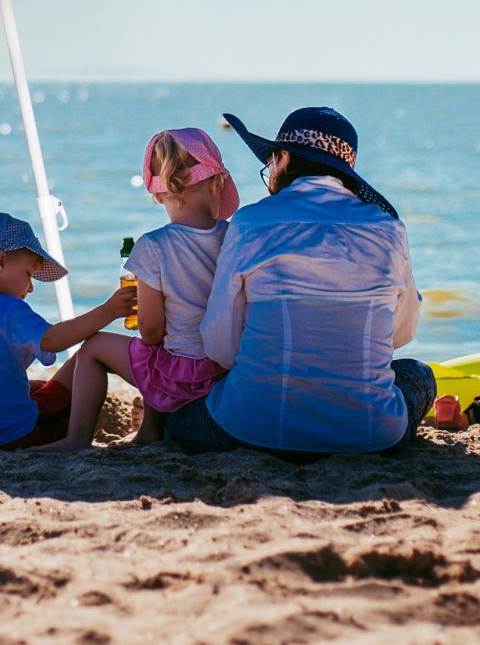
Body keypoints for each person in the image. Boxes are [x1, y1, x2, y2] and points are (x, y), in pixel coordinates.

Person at [164, 107, 436, 460]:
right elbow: (400, 334)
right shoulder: (388, 230)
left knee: (177, 419)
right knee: (418, 373)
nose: (270, 174)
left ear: (284, 157)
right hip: (368, 434)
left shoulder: (251, 222)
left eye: (270, 164)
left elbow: (220, 342)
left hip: (255, 428)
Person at [40, 128, 239, 451]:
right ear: (216, 183)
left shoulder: (153, 246)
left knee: (97, 347)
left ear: (159, 195)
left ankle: (76, 438)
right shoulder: (234, 237)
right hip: (226, 370)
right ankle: (149, 432)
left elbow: (149, 330)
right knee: (159, 351)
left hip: (183, 375)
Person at [0, 211, 136, 450]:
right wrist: (107, 311)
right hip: (14, 436)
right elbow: (53, 340)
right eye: (29, 274)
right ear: (0, 262)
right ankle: (76, 440)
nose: (31, 288)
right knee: (89, 353)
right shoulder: (9, 308)